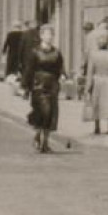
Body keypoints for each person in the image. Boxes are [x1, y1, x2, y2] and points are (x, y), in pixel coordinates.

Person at [24, 24, 65, 154]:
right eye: (47, 34)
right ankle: (38, 135)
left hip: (52, 85)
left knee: (51, 114)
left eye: (51, 34)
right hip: (38, 85)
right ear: (41, 36)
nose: (49, 37)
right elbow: (29, 70)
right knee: (43, 112)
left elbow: (60, 69)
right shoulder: (35, 52)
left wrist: (63, 76)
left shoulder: (57, 52)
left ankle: (45, 142)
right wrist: (26, 87)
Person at [84, 34, 108, 136]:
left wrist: (88, 87)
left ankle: (97, 127)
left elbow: (90, 72)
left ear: (98, 44)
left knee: (97, 103)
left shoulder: (93, 55)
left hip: (97, 79)